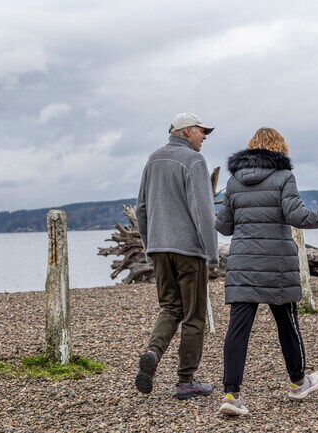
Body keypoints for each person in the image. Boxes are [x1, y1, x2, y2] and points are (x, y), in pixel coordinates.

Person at [214, 127, 318, 416]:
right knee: (287, 325)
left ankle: (231, 396)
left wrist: (221, 210)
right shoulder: (284, 176)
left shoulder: (234, 182)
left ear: (250, 150)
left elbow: (224, 227)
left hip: (243, 265)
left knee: (237, 331)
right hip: (277, 266)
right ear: (279, 149)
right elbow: (299, 216)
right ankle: (298, 382)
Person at [134, 112, 219, 400]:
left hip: (159, 247)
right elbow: (203, 211)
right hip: (188, 250)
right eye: (200, 130)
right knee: (194, 316)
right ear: (185, 132)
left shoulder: (153, 159)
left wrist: (150, 246)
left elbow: (141, 208)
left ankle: (153, 353)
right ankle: (185, 381)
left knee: (170, 308)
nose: (205, 136)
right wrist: (212, 253)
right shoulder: (194, 161)